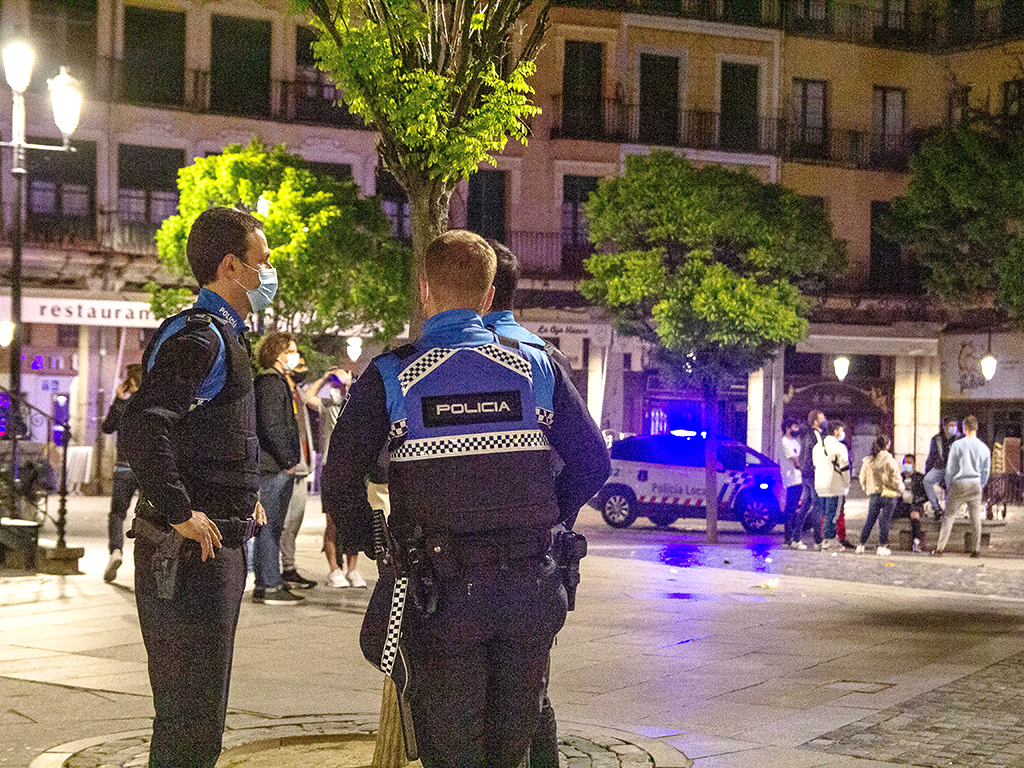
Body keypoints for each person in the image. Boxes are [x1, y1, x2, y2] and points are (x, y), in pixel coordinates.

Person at [323, 230, 610, 768]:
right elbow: (593, 461)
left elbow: (339, 475)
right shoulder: (538, 369)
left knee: (450, 751)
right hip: (528, 590)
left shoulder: (391, 375)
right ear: (486, 297)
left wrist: (377, 542)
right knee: (510, 751)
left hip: (440, 598)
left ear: (425, 289)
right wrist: (552, 518)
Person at [118, 206, 267, 768]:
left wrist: (241, 500)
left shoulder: (220, 334)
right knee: (190, 719)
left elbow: (202, 433)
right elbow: (144, 424)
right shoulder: (203, 338)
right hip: (188, 557)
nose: (268, 275)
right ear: (231, 266)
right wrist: (181, 510)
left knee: (195, 714)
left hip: (205, 551)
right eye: (262, 263)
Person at [252, 331, 305, 605]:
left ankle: (270, 581)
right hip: (273, 468)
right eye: (291, 350)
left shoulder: (275, 382)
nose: (295, 355)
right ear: (278, 353)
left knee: (271, 526)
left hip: (275, 466)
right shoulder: (270, 383)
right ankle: (269, 585)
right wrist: (287, 461)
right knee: (269, 527)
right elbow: (272, 426)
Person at [304, 367, 365, 587]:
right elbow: (306, 397)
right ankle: (334, 570)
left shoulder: (360, 407)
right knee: (332, 521)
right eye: (339, 381)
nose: (343, 384)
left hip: (355, 467)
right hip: (332, 465)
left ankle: (353, 569)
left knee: (354, 519)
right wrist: (324, 379)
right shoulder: (329, 405)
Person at [277, 355, 318, 591]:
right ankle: (282, 570)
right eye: (300, 364)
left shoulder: (296, 393)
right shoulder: (279, 389)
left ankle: (289, 568)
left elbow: (308, 393)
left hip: (301, 465)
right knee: (285, 523)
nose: (304, 369)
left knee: (294, 522)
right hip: (290, 465)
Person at [102, 363, 143, 583]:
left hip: (124, 467)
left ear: (131, 383)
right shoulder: (150, 406)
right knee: (149, 515)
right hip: (146, 468)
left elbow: (107, 428)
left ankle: (116, 550)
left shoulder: (124, 406)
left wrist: (119, 399)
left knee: (117, 513)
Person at [933, 415, 990, 557]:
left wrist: (948, 483)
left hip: (959, 483)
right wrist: (981, 483)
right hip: (975, 483)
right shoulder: (984, 448)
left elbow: (950, 468)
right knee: (975, 518)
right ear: (976, 428)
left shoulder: (957, 445)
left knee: (949, 517)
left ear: (964, 428)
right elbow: (986, 470)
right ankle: (976, 549)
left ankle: (940, 548)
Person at [856, 434, 902, 556]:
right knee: (885, 521)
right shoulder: (890, 460)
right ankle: (882, 546)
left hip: (874, 494)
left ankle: (861, 545)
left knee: (870, 520)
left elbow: (862, 478)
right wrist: (899, 489)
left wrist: (867, 488)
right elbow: (896, 478)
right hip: (889, 494)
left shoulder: (868, 461)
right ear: (887, 446)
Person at [791, 410, 825, 551]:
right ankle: (817, 541)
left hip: (808, 475)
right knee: (817, 507)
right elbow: (808, 458)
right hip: (812, 475)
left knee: (805, 506)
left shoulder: (809, 436)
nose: (824, 420)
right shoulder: (813, 436)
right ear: (816, 421)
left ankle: (796, 538)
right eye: (822, 418)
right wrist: (814, 470)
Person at [814, 419, 850, 551]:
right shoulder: (840, 447)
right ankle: (829, 540)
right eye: (841, 430)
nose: (843, 433)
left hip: (820, 484)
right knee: (834, 514)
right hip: (835, 484)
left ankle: (826, 539)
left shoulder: (817, 447)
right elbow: (844, 468)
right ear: (835, 432)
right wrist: (846, 485)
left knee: (825, 513)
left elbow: (814, 464)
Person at [924, 417, 960, 517]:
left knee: (949, 483)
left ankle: (948, 510)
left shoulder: (959, 439)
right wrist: (927, 470)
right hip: (940, 467)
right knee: (927, 481)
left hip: (953, 470)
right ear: (944, 427)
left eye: (955, 426)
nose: (953, 428)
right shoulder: (937, 439)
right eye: (951, 426)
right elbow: (931, 456)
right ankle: (936, 508)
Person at [776, 419, 803, 547]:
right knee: (790, 508)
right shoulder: (784, 442)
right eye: (794, 426)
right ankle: (789, 538)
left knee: (794, 508)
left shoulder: (795, 442)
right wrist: (801, 464)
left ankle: (792, 537)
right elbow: (795, 460)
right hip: (792, 478)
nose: (797, 429)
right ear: (787, 428)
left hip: (799, 478)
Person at [893, 454, 927, 552]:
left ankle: (916, 542)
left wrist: (916, 501)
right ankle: (884, 541)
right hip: (902, 505)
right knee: (886, 514)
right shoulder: (899, 477)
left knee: (914, 515)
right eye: (905, 463)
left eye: (909, 463)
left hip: (915, 504)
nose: (906, 465)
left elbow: (925, 495)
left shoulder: (920, 478)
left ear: (914, 465)